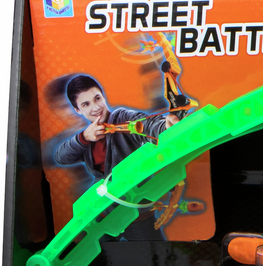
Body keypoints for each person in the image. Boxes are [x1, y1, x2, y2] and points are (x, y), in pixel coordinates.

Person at [52, 75, 177, 240]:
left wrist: (166, 126)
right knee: (99, 254)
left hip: (136, 213)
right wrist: (84, 138)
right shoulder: (87, 137)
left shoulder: (122, 117)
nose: (95, 107)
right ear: (78, 110)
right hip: (104, 213)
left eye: (97, 98)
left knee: (154, 254)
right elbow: (60, 157)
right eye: (86, 104)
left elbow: (146, 124)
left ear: (103, 96)